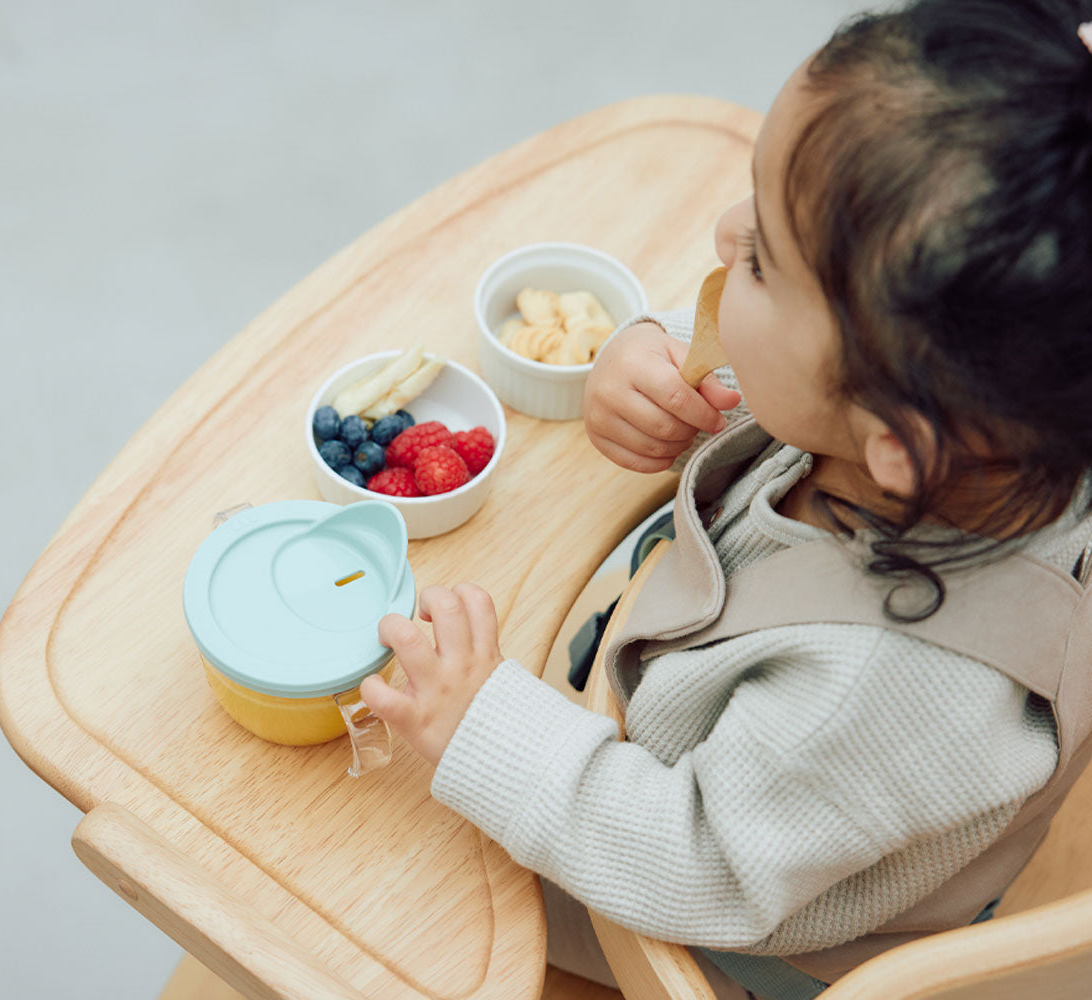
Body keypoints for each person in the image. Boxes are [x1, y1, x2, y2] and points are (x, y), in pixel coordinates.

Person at [360, 1, 1092, 997]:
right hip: (763, 765)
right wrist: (654, 353)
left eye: (760, 260)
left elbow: (688, 859)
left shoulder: (876, 689)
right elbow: (813, 371)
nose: (724, 231)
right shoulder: (1009, 411)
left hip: (719, 927)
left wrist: (482, 728)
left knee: (368, 891)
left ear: (898, 448)